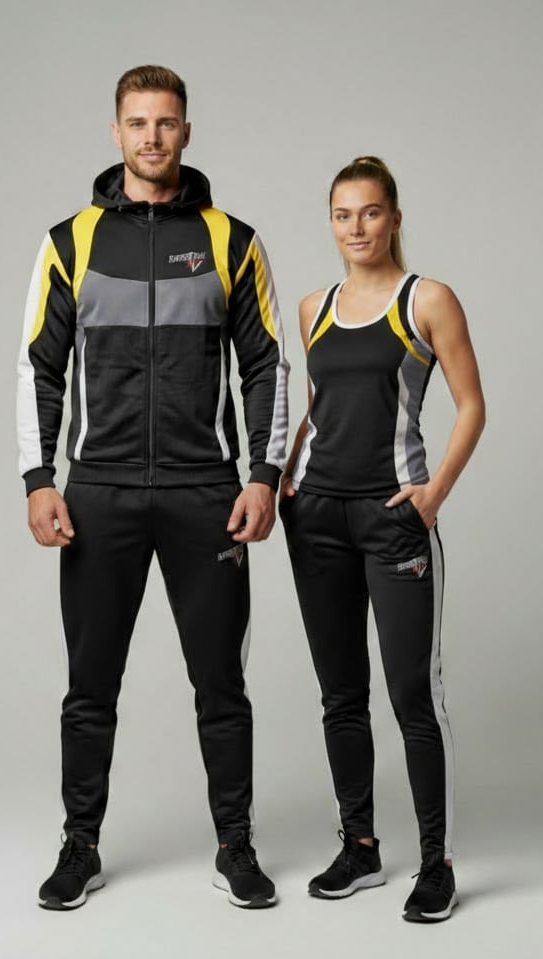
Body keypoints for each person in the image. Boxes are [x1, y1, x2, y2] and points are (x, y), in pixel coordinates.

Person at [17, 64, 288, 911]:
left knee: (222, 684)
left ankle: (235, 845)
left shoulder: (232, 240)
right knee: (89, 685)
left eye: (166, 122)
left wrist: (263, 475)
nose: (152, 137)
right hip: (99, 490)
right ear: (116, 132)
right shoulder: (70, 241)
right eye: (138, 122)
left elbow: (268, 366)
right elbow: (37, 367)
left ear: (186, 132)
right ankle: (81, 844)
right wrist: (38, 478)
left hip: (206, 491)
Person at [280, 156, 485, 923]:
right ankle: (359, 846)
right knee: (341, 694)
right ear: (331, 223)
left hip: (392, 515)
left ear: (394, 217)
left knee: (412, 695)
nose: (356, 227)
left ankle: (436, 863)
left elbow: (472, 405)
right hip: (317, 519)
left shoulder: (426, 299)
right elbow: (321, 405)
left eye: (369, 212)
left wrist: (434, 494)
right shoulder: (315, 306)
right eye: (342, 214)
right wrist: (286, 477)